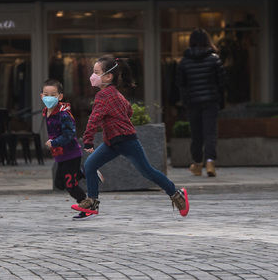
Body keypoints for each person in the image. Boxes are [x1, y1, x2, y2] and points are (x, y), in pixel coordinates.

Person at [73, 55, 189, 217]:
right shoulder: (114, 93)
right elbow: (129, 110)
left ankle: (177, 194)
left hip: (126, 140)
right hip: (112, 142)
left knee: (148, 172)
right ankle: (92, 202)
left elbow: (94, 119)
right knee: (91, 165)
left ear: (108, 76)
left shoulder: (103, 96)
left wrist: (88, 141)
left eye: (96, 72)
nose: (92, 76)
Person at [42, 78, 102, 221]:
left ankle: (86, 209)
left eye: (53, 94)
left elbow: (70, 135)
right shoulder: (47, 112)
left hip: (71, 154)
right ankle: (83, 172)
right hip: (60, 156)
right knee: (59, 184)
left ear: (60, 96)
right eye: (46, 94)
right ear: (41, 96)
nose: (49, 97)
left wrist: (54, 142)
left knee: (71, 186)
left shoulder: (64, 115)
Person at [176, 28, 227, 177]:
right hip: (211, 99)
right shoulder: (214, 59)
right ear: (207, 41)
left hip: (193, 100)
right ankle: (210, 162)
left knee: (196, 132)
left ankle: (197, 164)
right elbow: (222, 81)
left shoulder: (184, 61)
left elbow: (180, 82)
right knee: (210, 132)